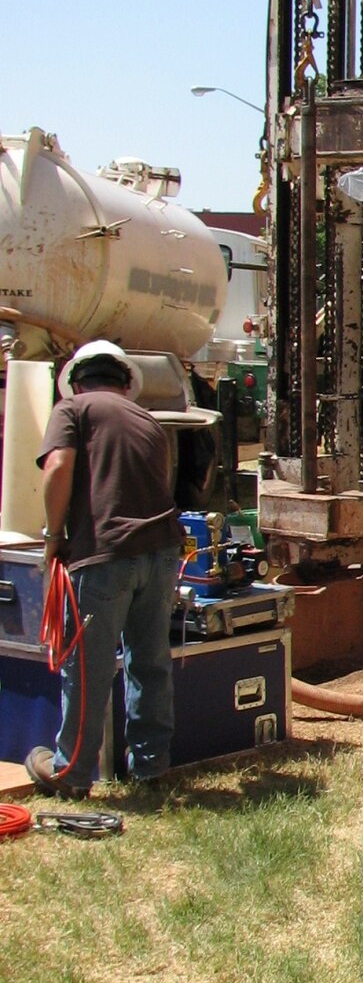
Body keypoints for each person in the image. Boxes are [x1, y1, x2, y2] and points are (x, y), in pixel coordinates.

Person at [26, 340, 180, 797]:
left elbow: (58, 467)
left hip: (105, 557)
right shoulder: (147, 419)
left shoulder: (72, 408)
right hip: (160, 551)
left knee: (88, 668)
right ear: (126, 383)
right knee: (150, 661)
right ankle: (151, 769)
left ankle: (71, 774)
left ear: (76, 380)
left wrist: (55, 537)